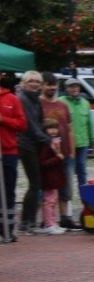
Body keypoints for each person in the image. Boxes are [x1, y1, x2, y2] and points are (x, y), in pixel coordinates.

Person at [39, 74, 75, 228]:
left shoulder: (63, 104)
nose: (52, 88)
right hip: (47, 153)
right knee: (47, 186)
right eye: (48, 84)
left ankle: (65, 217)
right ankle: (47, 219)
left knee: (65, 185)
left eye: (54, 85)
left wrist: (72, 150)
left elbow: (70, 129)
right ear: (42, 85)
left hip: (64, 152)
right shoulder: (38, 104)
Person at [16, 71, 49, 233]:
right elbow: (30, 125)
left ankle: (28, 220)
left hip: (35, 144)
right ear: (23, 83)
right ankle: (27, 221)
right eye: (31, 81)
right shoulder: (23, 99)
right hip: (26, 144)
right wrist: (47, 140)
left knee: (36, 183)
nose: (34, 84)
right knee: (35, 183)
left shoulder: (35, 100)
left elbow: (40, 122)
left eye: (37, 81)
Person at [59, 77, 94, 215]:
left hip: (83, 144)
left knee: (82, 174)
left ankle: (86, 204)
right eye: (71, 87)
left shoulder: (85, 103)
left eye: (77, 87)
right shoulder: (61, 102)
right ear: (66, 89)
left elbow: (90, 122)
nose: (74, 89)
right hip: (67, 145)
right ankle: (67, 208)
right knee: (67, 175)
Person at [0, 73, 27, 240]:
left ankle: (8, 229)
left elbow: (22, 124)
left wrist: (3, 119)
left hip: (9, 152)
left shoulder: (12, 99)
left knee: (8, 191)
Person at [35, 118, 66, 234]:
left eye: (55, 128)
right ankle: (49, 224)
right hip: (48, 177)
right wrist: (57, 158)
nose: (53, 131)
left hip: (55, 177)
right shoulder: (46, 144)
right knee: (49, 201)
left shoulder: (55, 142)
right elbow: (43, 162)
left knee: (53, 200)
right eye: (50, 128)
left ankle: (53, 222)